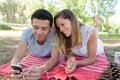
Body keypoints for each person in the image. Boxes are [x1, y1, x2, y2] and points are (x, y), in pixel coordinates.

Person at [0, 9, 59, 80]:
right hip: (33, 57)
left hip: (48, 59)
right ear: (31, 26)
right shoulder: (27, 33)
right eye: (35, 27)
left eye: (44, 29)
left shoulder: (54, 35)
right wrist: (14, 68)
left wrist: (41, 70)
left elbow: (54, 58)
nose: (39, 32)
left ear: (50, 28)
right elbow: (17, 57)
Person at [51, 9, 109, 79]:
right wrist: (71, 59)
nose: (61, 30)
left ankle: (96, 24)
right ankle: (96, 24)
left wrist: (76, 63)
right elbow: (68, 53)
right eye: (59, 27)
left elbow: (91, 59)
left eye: (62, 24)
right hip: (82, 50)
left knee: (95, 29)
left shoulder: (89, 33)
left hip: (96, 48)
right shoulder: (65, 36)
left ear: (72, 20)